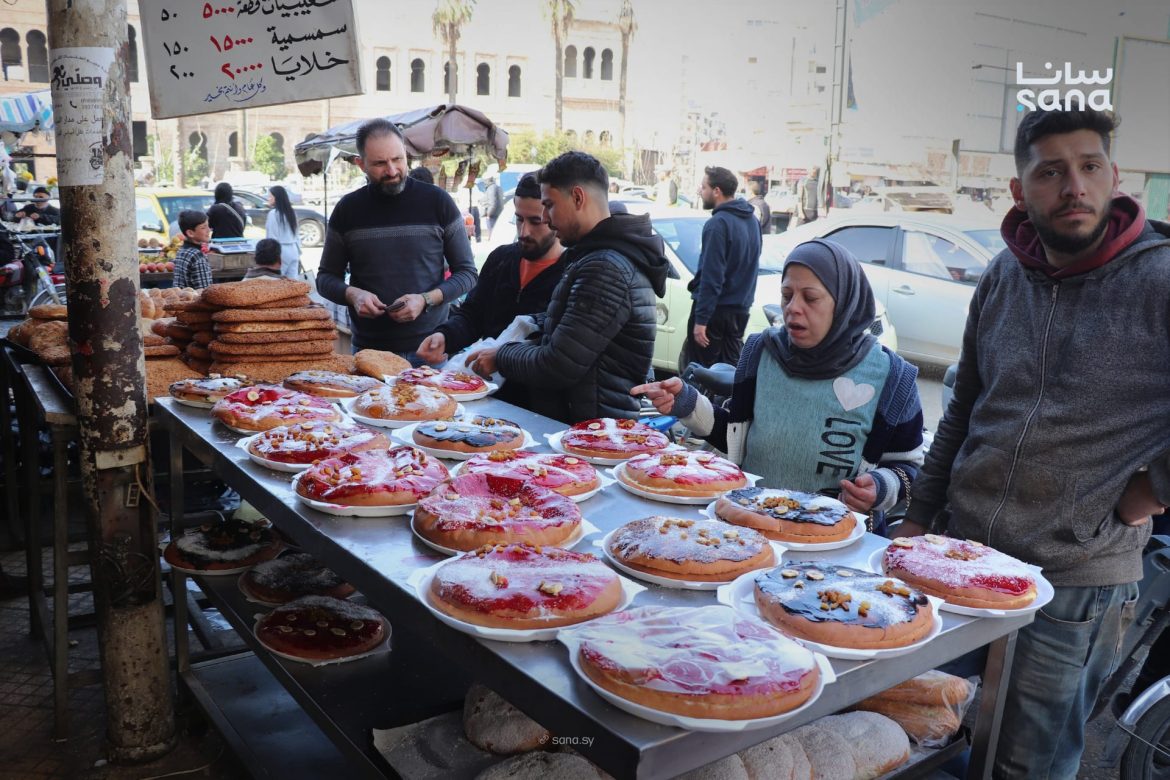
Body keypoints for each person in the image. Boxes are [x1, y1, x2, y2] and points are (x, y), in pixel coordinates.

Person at [895, 108, 1170, 780]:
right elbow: (964, 408)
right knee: (930, 734)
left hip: (1070, 581)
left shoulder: (1159, 281)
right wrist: (918, 519)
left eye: (1089, 166)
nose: (1074, 186)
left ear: (1114, 176)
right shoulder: (1001, 275)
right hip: (961, 559)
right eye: (1050, 172)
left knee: (1026, 767)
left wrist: (1146, 495)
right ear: (1020, 190)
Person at [635, 239, 923, 533]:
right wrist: (686, 402)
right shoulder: (760, 353)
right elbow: (735, 435)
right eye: (787, 295)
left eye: (810, 298)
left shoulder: (891, 378)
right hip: (750, 530)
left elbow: (910, 468)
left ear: (844, 302)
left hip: (834, 543)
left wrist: (880, 487)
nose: (793, 308)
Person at [466, 151, 669, 424]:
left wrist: (502, 356)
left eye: (549, 205)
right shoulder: (597, 257)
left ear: (577, 198)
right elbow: (573, 333)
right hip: (585, 426)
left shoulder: (605, 267)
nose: (546, 218)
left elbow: (558, 365)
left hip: (590, 432)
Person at [316, 118, 477, 365]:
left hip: (429, 350)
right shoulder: (347, 210)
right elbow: (325, 278)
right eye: (380, 163)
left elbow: (467, 274)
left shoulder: (438, 202)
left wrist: (425, 300)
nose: (391, 171)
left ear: (406, 154)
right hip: (370, 353)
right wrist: (353, 295)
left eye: (397, 159)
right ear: (361, 164)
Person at [417, 174, 568, 409]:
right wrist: (445, 336)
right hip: (487, 397)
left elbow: (561, 350)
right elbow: (473, 314)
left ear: (554, 216)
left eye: (535, 221)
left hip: (543, 407)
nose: (524, 231)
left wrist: (503, 357)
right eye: (519, 219)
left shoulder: (573, 271)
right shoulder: (501, 258)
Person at [679, 166, 761, 372]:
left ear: (716, 191)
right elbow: (752, 267)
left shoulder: (717, 224)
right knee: (729, 375)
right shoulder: (752, 221)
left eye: (703, 187)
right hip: (739, 311)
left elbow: (711, 276)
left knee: (701, 375)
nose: (700, 191)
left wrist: (701, 320)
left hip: (715, 313)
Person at [264, 185, 301, 278]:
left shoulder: (273, 214)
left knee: (277, 282)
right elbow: (297, 234)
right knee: (293, 282)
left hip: (280, 251)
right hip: (293, 249)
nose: (268, 198)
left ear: (276, 198)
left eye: (270, 196)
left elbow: (271, 238)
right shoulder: (291, 212)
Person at [173, 210, 213, 290]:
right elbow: (205, 291)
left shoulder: (181, 250)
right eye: (203, 227)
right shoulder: (198, 257)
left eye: (208, 226)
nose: (209, 230)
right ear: (190, 233)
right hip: (195, 297)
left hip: (180, 296)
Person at [481, 175, 503, 240]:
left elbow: (492, 202)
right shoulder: (498, 187)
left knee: (491, 228)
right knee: (496, 228)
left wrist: (489, 213)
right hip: (499, 211)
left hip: (492, 213)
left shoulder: (491, 188)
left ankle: (491, 240)